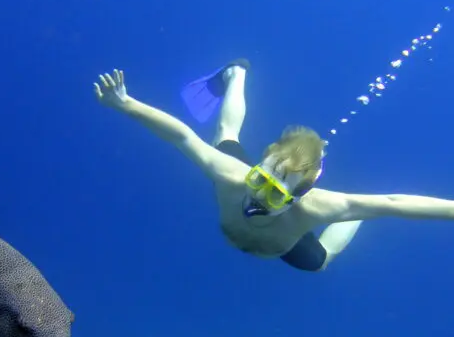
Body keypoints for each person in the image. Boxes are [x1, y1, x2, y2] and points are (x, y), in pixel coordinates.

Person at [93, 61, 454, 272]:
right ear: (259, 164)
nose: (257, 196)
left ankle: (354, 214)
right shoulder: (233, 176)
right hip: (247, 185)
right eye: (260, 178)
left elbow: (394, 204)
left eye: (275, 193)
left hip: (287, 243)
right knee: (225, 135)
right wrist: (126, 104)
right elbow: (183, 137)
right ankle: (237, 73)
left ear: (297, 198)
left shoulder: (315, 209)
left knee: (322, 260)